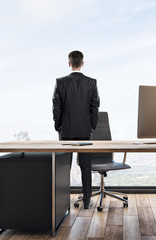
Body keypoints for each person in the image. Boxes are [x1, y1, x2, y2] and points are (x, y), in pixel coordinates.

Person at [52, 50, 100, 209]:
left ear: (69, 63)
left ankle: (62, 204)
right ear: (83, 63)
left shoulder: (60, 82)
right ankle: (87, 201)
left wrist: (58, 126)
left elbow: (56, 108)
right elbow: (95, 108)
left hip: (65, 131)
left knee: (64, 168)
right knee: (86, 167)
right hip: (85, 132)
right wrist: (91, 126)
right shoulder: (91, 83)